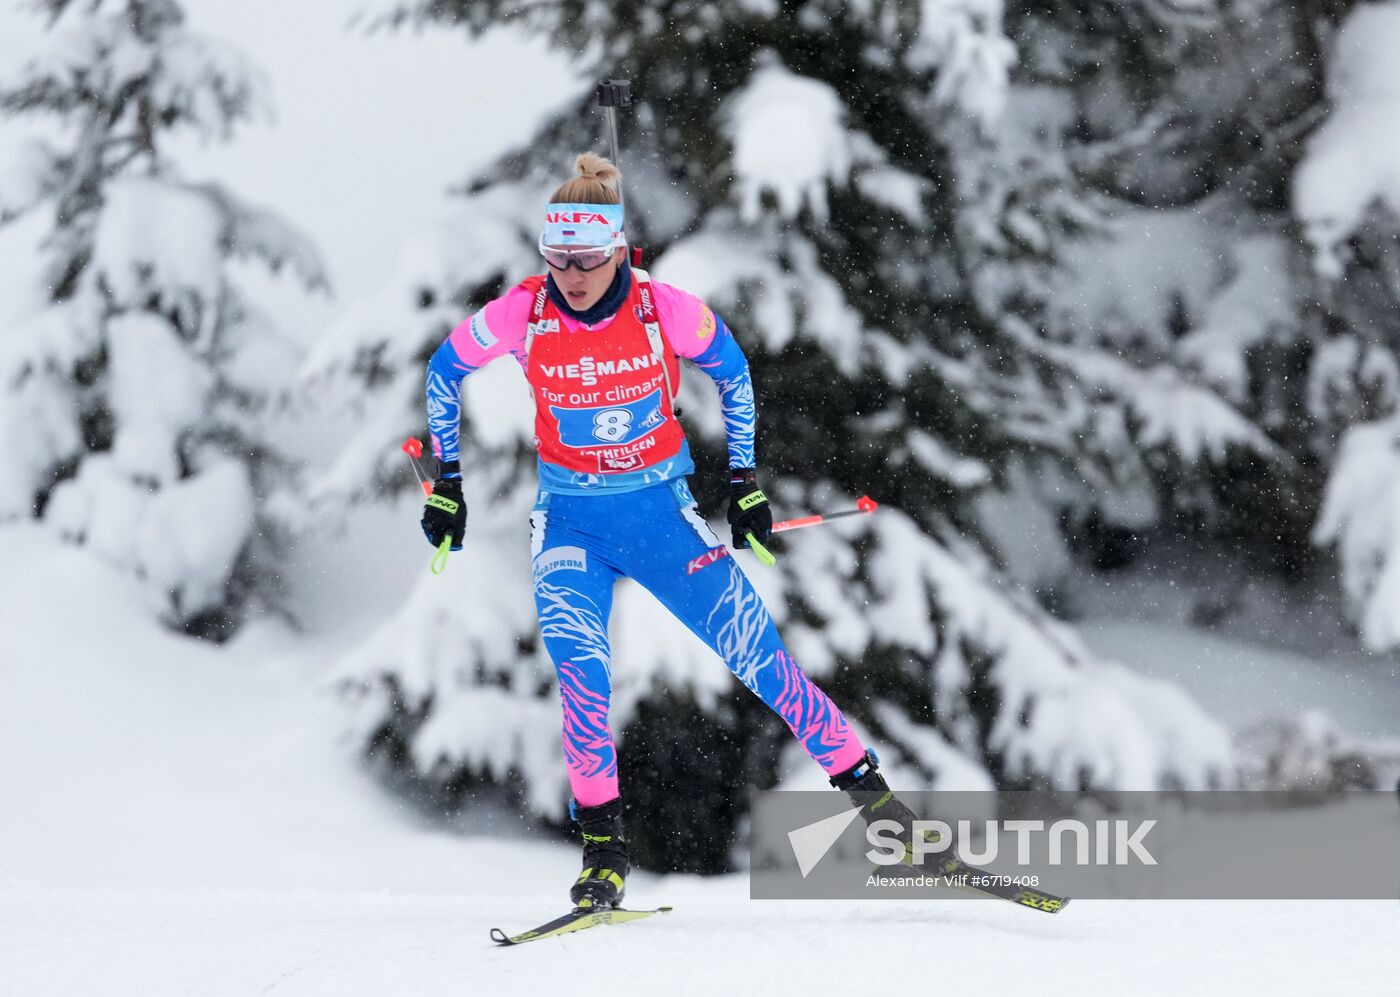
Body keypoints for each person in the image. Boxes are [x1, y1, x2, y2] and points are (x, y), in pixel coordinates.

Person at [421, 153, 918, 909]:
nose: (571, 274)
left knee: (763, 660)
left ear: (619, 250)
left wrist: (746, 484)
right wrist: (447, 484)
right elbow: (444, 370)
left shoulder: (662, 310)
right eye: (557, 258)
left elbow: (734, 370)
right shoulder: (524, 312)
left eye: (587, 259)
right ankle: (603, 858)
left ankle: (879, 807)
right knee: (583, 681)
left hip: (659, 518)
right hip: (570, 527)